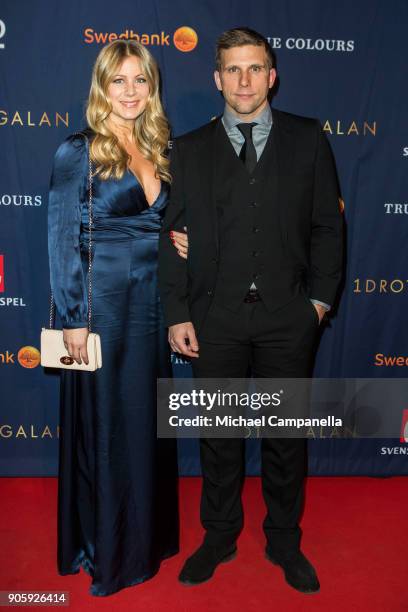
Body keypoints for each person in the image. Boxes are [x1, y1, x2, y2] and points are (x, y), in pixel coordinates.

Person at [158, 27, 343, 593]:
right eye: (233, 70)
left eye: (254, 68)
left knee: (286, 437)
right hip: (216, 320)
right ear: (216, 78)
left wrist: (317, 304)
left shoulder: (309, 139)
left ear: (272, 75)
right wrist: (178, 312)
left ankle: (284, 539)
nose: (244, 80)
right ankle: (219, 535)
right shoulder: (187, 149)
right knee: (220, 435)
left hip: (289, 319)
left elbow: (328, 229)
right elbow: (170, 238)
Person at [48, 39, 186, 596]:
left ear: (152, 88)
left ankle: (146, 538)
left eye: (140, 81)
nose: (130, 92)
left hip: (152, 305)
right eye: (118, 81)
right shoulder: (77, 150)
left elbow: (161, 225)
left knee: (145, 423)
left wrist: (178, 240)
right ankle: (106, 548)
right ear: (101, 87)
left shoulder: (158, 145)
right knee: (108, 429)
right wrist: (74, 318)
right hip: (102, 308)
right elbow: (62, 238)